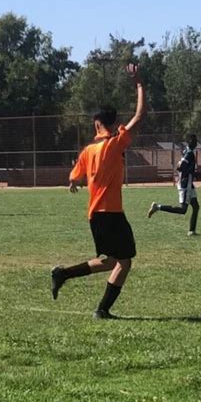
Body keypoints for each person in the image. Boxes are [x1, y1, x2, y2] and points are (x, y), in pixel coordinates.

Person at [51, 64, 146, 319]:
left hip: (95, 215)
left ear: (95, 124)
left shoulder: (87, 151)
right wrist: (139, 84)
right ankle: (102, 310)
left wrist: (75, 182)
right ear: (112, 124)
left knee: (112, 261)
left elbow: (75, 178)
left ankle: (63, 273)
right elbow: (139, 116)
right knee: (124, 262)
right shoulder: (114, 145)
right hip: (112, 213)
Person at [147, 133, 200, 235]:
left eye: (196, 140)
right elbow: (180, 166)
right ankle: (157, 207)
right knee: (182, 210)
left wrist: (193, 173)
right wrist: (189, 172)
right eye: (194, 140)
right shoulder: (189, 153)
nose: (196, 142)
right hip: (185, 184)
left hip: (188, 183)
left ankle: (192, 231)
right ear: (189, 142)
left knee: (196, 206)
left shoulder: (187, 151)